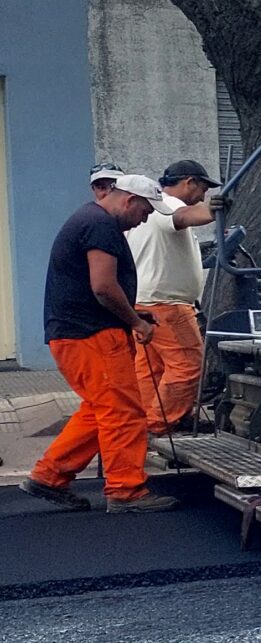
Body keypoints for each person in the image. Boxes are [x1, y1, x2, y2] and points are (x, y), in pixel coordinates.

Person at [25, 173, 179, 513]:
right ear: (128, 201)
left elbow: (92, 288)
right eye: (145, 211)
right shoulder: (101, 226)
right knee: (124, 413)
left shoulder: (89, 219)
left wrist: (132, 311)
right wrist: (136, 321)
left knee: (101, 410)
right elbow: (103, 287)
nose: (145, 219)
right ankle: (126, 491)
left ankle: (49, 476)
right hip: (92, 336)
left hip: (74, 332)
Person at [126, 158, 219, 438]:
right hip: (168, 305)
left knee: (150, 371)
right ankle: (158, 425)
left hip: (141, 303)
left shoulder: (144, 212)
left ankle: (138, 426)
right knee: (187, 367)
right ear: (189, 182)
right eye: (202, 189)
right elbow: (186, 217)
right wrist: (214, 210)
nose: (202, 196)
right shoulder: (169, 205)